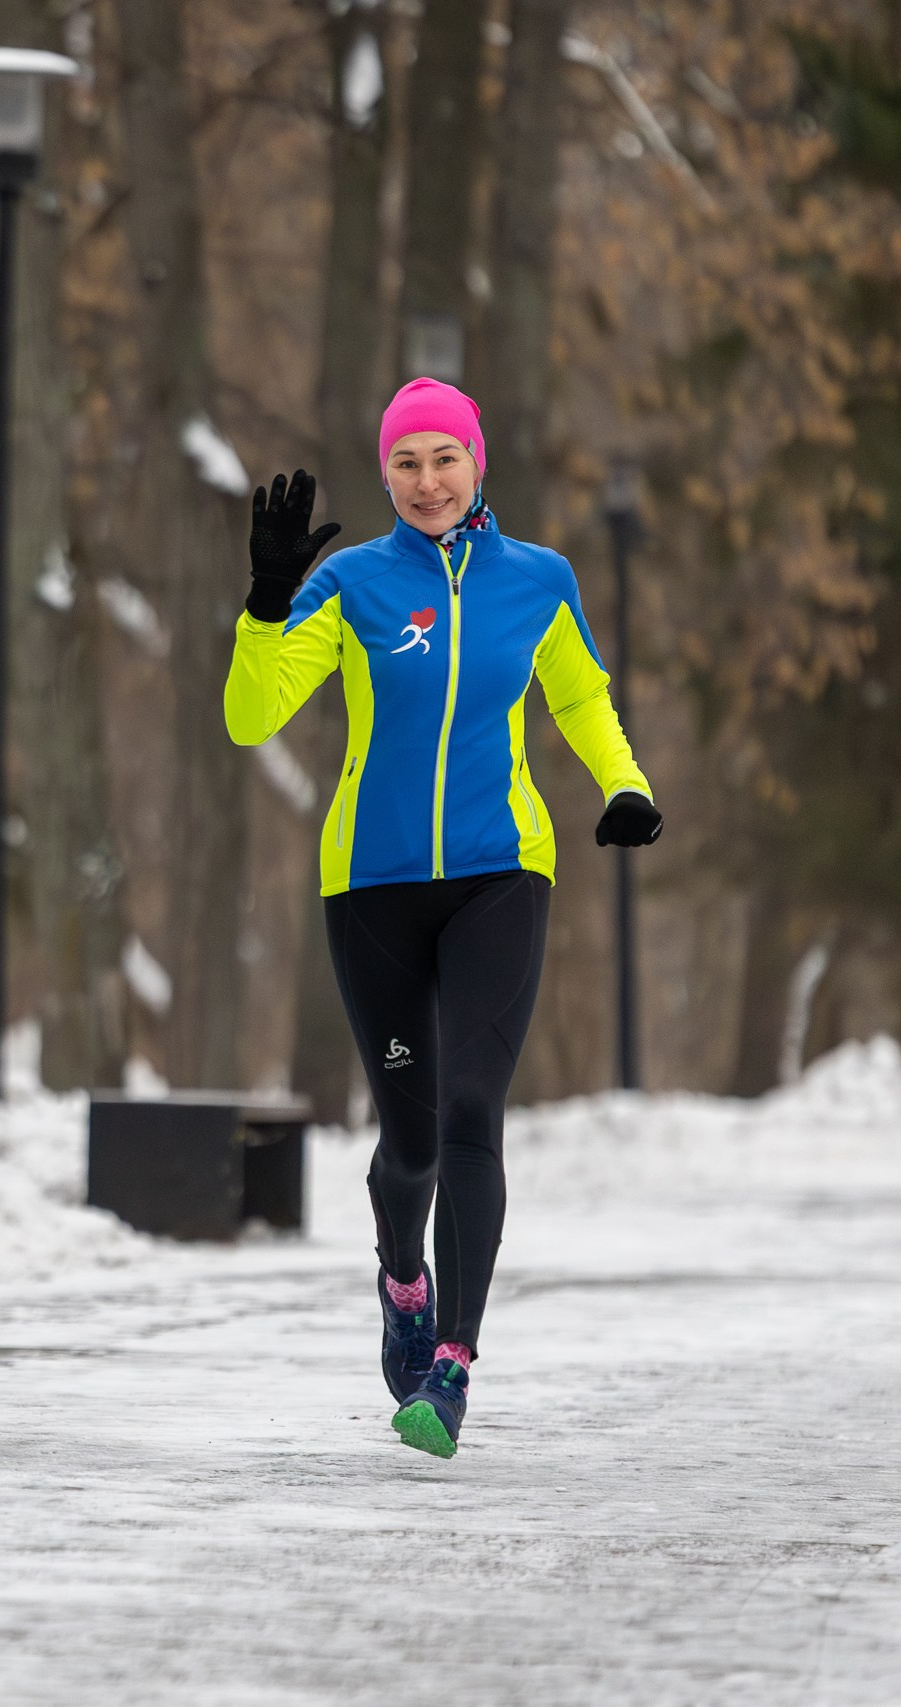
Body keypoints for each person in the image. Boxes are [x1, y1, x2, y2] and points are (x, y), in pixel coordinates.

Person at [223, 378, 659, 1460]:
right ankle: (402, 1279)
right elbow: (250, 717)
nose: (426, 482)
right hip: (370, 888)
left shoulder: (539, 582)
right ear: (386, 475)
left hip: (499, 874)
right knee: (408, 1138)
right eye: (406, 464)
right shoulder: (353, 583)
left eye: (443, 460)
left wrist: (624, 784)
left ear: (478, 465)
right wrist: (265, 604)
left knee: (472, 1107)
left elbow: (580, 697)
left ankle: (452, 1363)